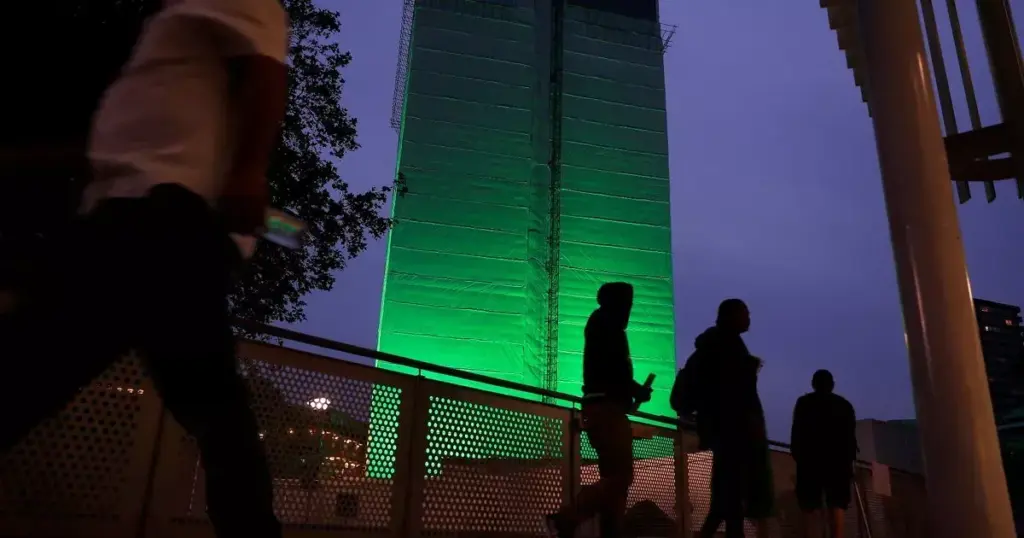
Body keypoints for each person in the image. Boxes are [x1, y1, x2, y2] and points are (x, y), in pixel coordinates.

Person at [0, 1, 290, 537]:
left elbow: (266, 73)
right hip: (155, 225)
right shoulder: (171, 27)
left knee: (26, 365)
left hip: (158, 218)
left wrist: (248, 173)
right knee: (216, 411)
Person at [547, 282, 652, 538]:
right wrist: (635, 391)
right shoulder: (608, 326)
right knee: (620, 478)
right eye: (628, 303)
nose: (630, 308)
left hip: (601, 408)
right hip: (607, 410)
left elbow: (608, 370)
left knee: (614, 483)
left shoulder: (601, 323)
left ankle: (592, 525)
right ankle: (566, 518)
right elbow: (613, 370)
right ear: (620, 303)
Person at [675, 298, 774, 538]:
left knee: (726, 495)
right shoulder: (729, 349)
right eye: (745, 313)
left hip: (719, 431)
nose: (749, 318)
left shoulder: (710, 348)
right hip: (734, 431)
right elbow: (735, 393)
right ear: (732, 316)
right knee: (731, 494)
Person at [791, 370, 858, 538]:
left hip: (810, 462)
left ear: (813, 384)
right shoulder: (844, 405)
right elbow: (850, 438)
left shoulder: (804, 404)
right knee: (837, 504)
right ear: (832, 385)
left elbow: (797, 434)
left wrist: (800, 456)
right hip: (838, 463)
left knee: (810, 507)